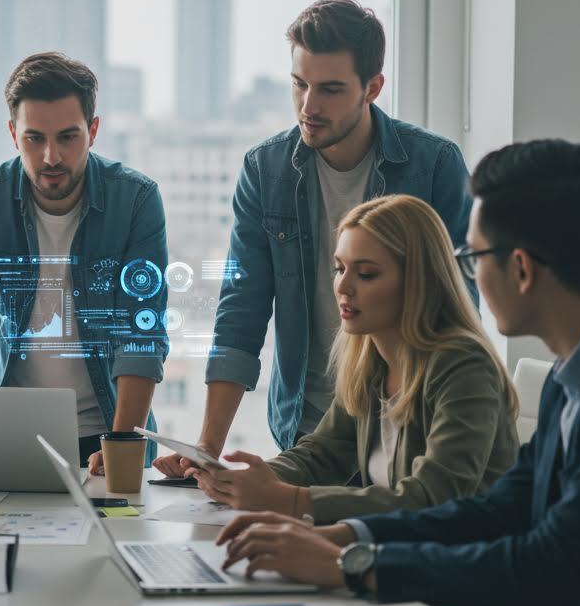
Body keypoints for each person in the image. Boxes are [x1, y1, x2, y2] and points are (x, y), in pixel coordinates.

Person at [216, 140, 580, 606]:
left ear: (519, 268)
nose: (467, 274)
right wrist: (344, 538)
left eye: (473, 258)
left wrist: (352, 565)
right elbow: (504, 509)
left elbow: (555, 565)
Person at [194, 0, 473, 463]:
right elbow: (241, 312)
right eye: (299, 84)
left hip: (409, 421)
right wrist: (205, 448)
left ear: (373, 87)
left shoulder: (434, 167)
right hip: (309, 427)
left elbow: (458, 308)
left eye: (330, 89)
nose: (309, 106)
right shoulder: (266, 171)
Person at [182, 194, 517, 524]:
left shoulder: (463, 366)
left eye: (366, 274)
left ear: (418, 281)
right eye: (339, 269)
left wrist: (290, 500)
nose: (343, 287)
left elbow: (432, 499)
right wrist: (244, 479)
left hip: (458, 565)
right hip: (398, 556)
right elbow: (323, 454)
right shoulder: (370, 360)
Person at [0, 52, 169, 470]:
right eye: (34, 138)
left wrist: (121, 445)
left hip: (110, 431)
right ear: (12, 134)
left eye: (67, 137)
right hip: (4, 430)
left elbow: (141, 332)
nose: (51, 157)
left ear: (93, 131)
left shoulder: (135, 200)